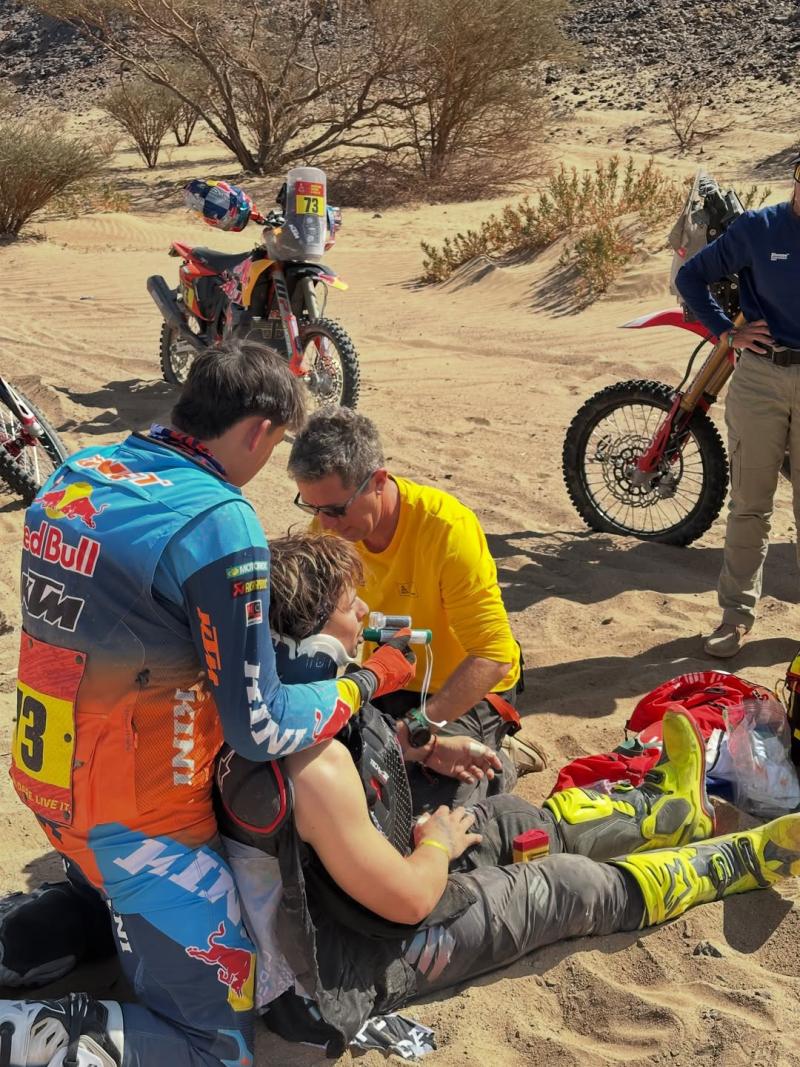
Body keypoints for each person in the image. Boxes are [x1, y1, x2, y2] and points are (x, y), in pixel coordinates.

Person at [214, 533, 800, 1054]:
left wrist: (424, 748)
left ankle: (666, 814)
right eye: (350, 606)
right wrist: (437, 844)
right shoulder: (313, 770)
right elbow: (409, 901)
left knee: (511, 820)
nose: (366, 612)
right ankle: (727, 865)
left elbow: (352, 735)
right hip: (343, 970)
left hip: (357, 891)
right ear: (313, 640)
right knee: (567, 886)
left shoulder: (270, 710)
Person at [0, 343, 415, 1067]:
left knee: (103, 905)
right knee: (215, 1050)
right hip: (142, 827)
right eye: (276, 445)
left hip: (52, 785)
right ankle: (28, 1030)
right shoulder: (218, 520)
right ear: (258, 430)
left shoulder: (79, 474)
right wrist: (363, 678)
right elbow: (261, 726)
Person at [287, 407, 539, 812]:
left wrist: (419, 728)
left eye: (335, 510)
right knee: (332, 778)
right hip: (387, 680)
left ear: (378, 481)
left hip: (463, 689)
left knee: (423, 808)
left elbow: (493, 657)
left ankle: (501, 760)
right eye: (312, 508)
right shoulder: (329, 528)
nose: (325, 525)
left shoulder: (446, 529)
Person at [676, 155, 800, 658]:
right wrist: (728, 332)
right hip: (761, 378)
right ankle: (735, 617)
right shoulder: (759, 228)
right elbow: (691, 277)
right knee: (750, 503)